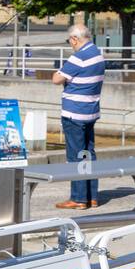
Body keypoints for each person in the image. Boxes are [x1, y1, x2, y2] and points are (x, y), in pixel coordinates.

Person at [51, 24, 105, 209]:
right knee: (88, 153)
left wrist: (61, 74)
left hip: (74, 113)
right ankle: (92, 196)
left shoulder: (79, 57)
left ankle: (78, 198)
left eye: (70, 41)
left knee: (76, 155)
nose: (70, 45)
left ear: (75, 39)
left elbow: (56, 79)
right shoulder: (97, 53)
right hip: (90, 111)